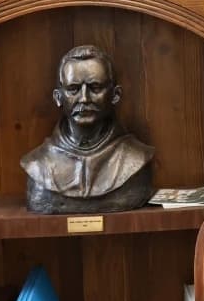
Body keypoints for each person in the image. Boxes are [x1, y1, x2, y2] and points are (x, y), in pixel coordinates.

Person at [20, 45, 154, 213]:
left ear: (115, 95)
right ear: (58, 97)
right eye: (73, 89)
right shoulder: (37, 164)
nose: (84, 98)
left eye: (95, 88)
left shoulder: (137, 158)